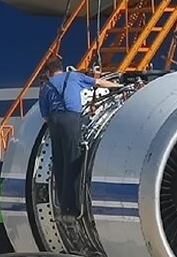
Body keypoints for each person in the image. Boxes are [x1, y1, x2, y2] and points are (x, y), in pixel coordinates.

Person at [37, 56, 121, 217]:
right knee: (73, 160)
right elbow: (99, 83)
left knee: (59, 162)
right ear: (61, 68)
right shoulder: (74, 77)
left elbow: (45, 116)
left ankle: (63, 206)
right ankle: (73, 206)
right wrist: (118, 85)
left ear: (49, 72)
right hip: (70, 118)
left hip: (54, 121)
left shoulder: (46, 87)